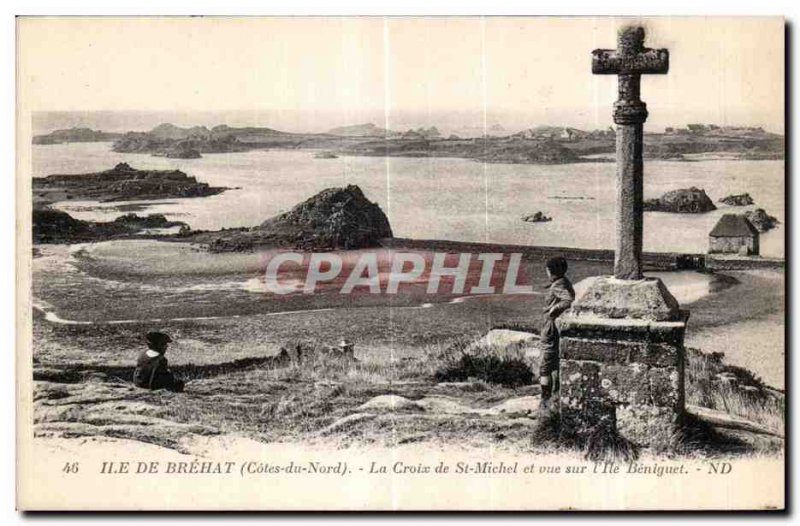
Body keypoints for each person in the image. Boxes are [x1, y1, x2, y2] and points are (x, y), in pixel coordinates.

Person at [539, 256, 575, 404]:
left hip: (551, 327)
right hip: (554, 326)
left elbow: (568, 299)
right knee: (554, 363)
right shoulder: (563, 281)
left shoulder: (557, 285)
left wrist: (555, 309)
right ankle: (554, 398)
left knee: (545, 366)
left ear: (550, 271)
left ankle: (545, 402)